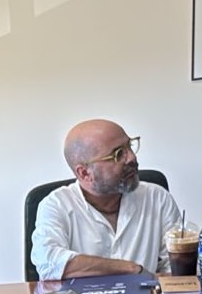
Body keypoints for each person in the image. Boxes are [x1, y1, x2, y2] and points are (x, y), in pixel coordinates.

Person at [30, 119, 182, 280]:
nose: (131, 157)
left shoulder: (156, 198)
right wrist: (131, 268)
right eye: (118, 154)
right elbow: (49, 263)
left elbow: (177, 267)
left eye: (129, 146)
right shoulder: (56, 205)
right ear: (84, 173)